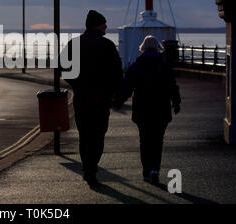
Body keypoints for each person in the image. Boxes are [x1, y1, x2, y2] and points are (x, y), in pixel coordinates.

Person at [63, 10, 123, 186]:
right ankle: (92, 167)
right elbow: (117, 73)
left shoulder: (74, 44)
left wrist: (76, 84)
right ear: (97, 25)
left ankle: (87, 167)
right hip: (101, 98)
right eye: (104, 23)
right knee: (98, 134)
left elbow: (63, 68)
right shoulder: (107, 45)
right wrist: (115, 94)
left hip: (82, 97)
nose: (106, 27)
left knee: (85, 134)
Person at [114, 35, 181, 184]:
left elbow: (127, 86)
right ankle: (155, 170)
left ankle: (146, 172)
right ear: (158, 48)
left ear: (142, 48)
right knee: (158, 141)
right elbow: (172, 86)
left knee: (144, 141)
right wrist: (176, 103)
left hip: (142, 109)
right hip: (161, 108)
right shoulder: (165, 66)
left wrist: (118, 101)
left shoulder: (136, 66)